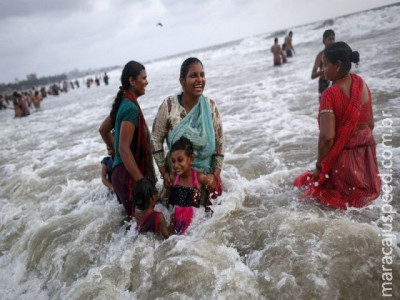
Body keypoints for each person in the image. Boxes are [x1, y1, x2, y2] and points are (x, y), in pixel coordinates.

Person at [293, 41, 381, 209]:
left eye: (325, 65)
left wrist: (319, 167)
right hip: (367, 163)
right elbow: (370, 124)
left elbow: (327, 138)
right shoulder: (361, 84)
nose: (323, 70)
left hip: (345, 165)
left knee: (312, 195)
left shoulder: (330, 94)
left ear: (338, 65)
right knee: (365, 202)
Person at [151, 57, 225, 206]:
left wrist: (214, 176)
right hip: (176, 179)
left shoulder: (210, 106)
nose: (199, 80)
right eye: (193, 75)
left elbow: (220, 142)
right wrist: (165, 174)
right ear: (182, 80)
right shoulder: (170, 106)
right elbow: (155, 139)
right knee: (177, 221)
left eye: (202, 75)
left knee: (207, 221)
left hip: (205, 178)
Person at [99, 60, 156, 218]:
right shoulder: (130, 108)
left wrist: (115, 149)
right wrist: (141, 181)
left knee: (134, 224)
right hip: (127, 176)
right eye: (143, 78)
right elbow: (124, 149)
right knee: (142, 223)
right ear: (132, 81)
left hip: (120, 173)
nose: (147, 82)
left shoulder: (123, 104)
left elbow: (103, 130)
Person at [169, 137, 216, 234]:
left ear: (191, 159)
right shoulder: (174, 178)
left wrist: (209, 210)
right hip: (177, 223)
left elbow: (211, 188)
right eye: (173, 161)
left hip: (194, 225)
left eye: (180, 160)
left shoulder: (198, 178)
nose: (176, 165)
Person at [311, 29, 336, 102]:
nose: (332, 41)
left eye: (333, 39)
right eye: (329, 39)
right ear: (323, 41)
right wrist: (322, 71)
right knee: (324, 107)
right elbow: (312, 75)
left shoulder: (337, 53)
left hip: (335, 82)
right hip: (323, 84)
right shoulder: (320, 55)